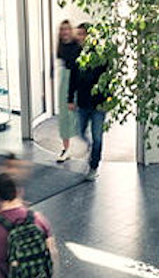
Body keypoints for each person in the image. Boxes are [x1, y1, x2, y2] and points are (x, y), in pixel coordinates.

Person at [67, 23, 108, 181]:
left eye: (83, 34)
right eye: (79, 34)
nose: (80, 37)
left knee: (97, 137)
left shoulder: (101, 55)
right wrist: (70, 99)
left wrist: (107, 101)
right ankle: (91, 149)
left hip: (99, 105)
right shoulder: (76, 54)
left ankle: (93, 166)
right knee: (80, 132)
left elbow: (107, 80)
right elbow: (72, 79)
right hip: (82, 103)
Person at [54, 20, 81, 163]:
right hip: (65, 79)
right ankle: (66, 148)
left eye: (67, 29)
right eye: (62, 29)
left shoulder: (77, 45)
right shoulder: (61, 46)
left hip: (77, 79)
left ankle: (86, 142)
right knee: (64, 116)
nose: (64, 32)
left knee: (79, 114)